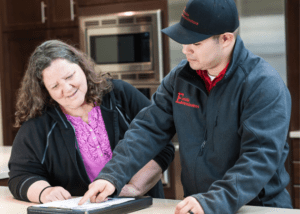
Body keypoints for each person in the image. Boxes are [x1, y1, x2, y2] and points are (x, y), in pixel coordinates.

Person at [78, 0, 293, 213]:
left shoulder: (263, 84)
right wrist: (112, 176)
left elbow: (259, 158)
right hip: (198, 207)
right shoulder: (179, 78)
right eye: (183, 40)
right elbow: (147, 130)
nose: (185, 49)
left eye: (196, 43)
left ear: (226, 39)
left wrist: (213, 201)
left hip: (256, 208)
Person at [8, 40, 174, 204]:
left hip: (142, 207)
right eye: (54, 86)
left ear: (82, 67)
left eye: (69, 76)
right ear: (44, 90)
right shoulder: (39, 124)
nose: (66, 89)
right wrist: (44, 192)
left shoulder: (121, 95)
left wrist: (134, 188)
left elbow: (161, 144)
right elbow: (21, 174)